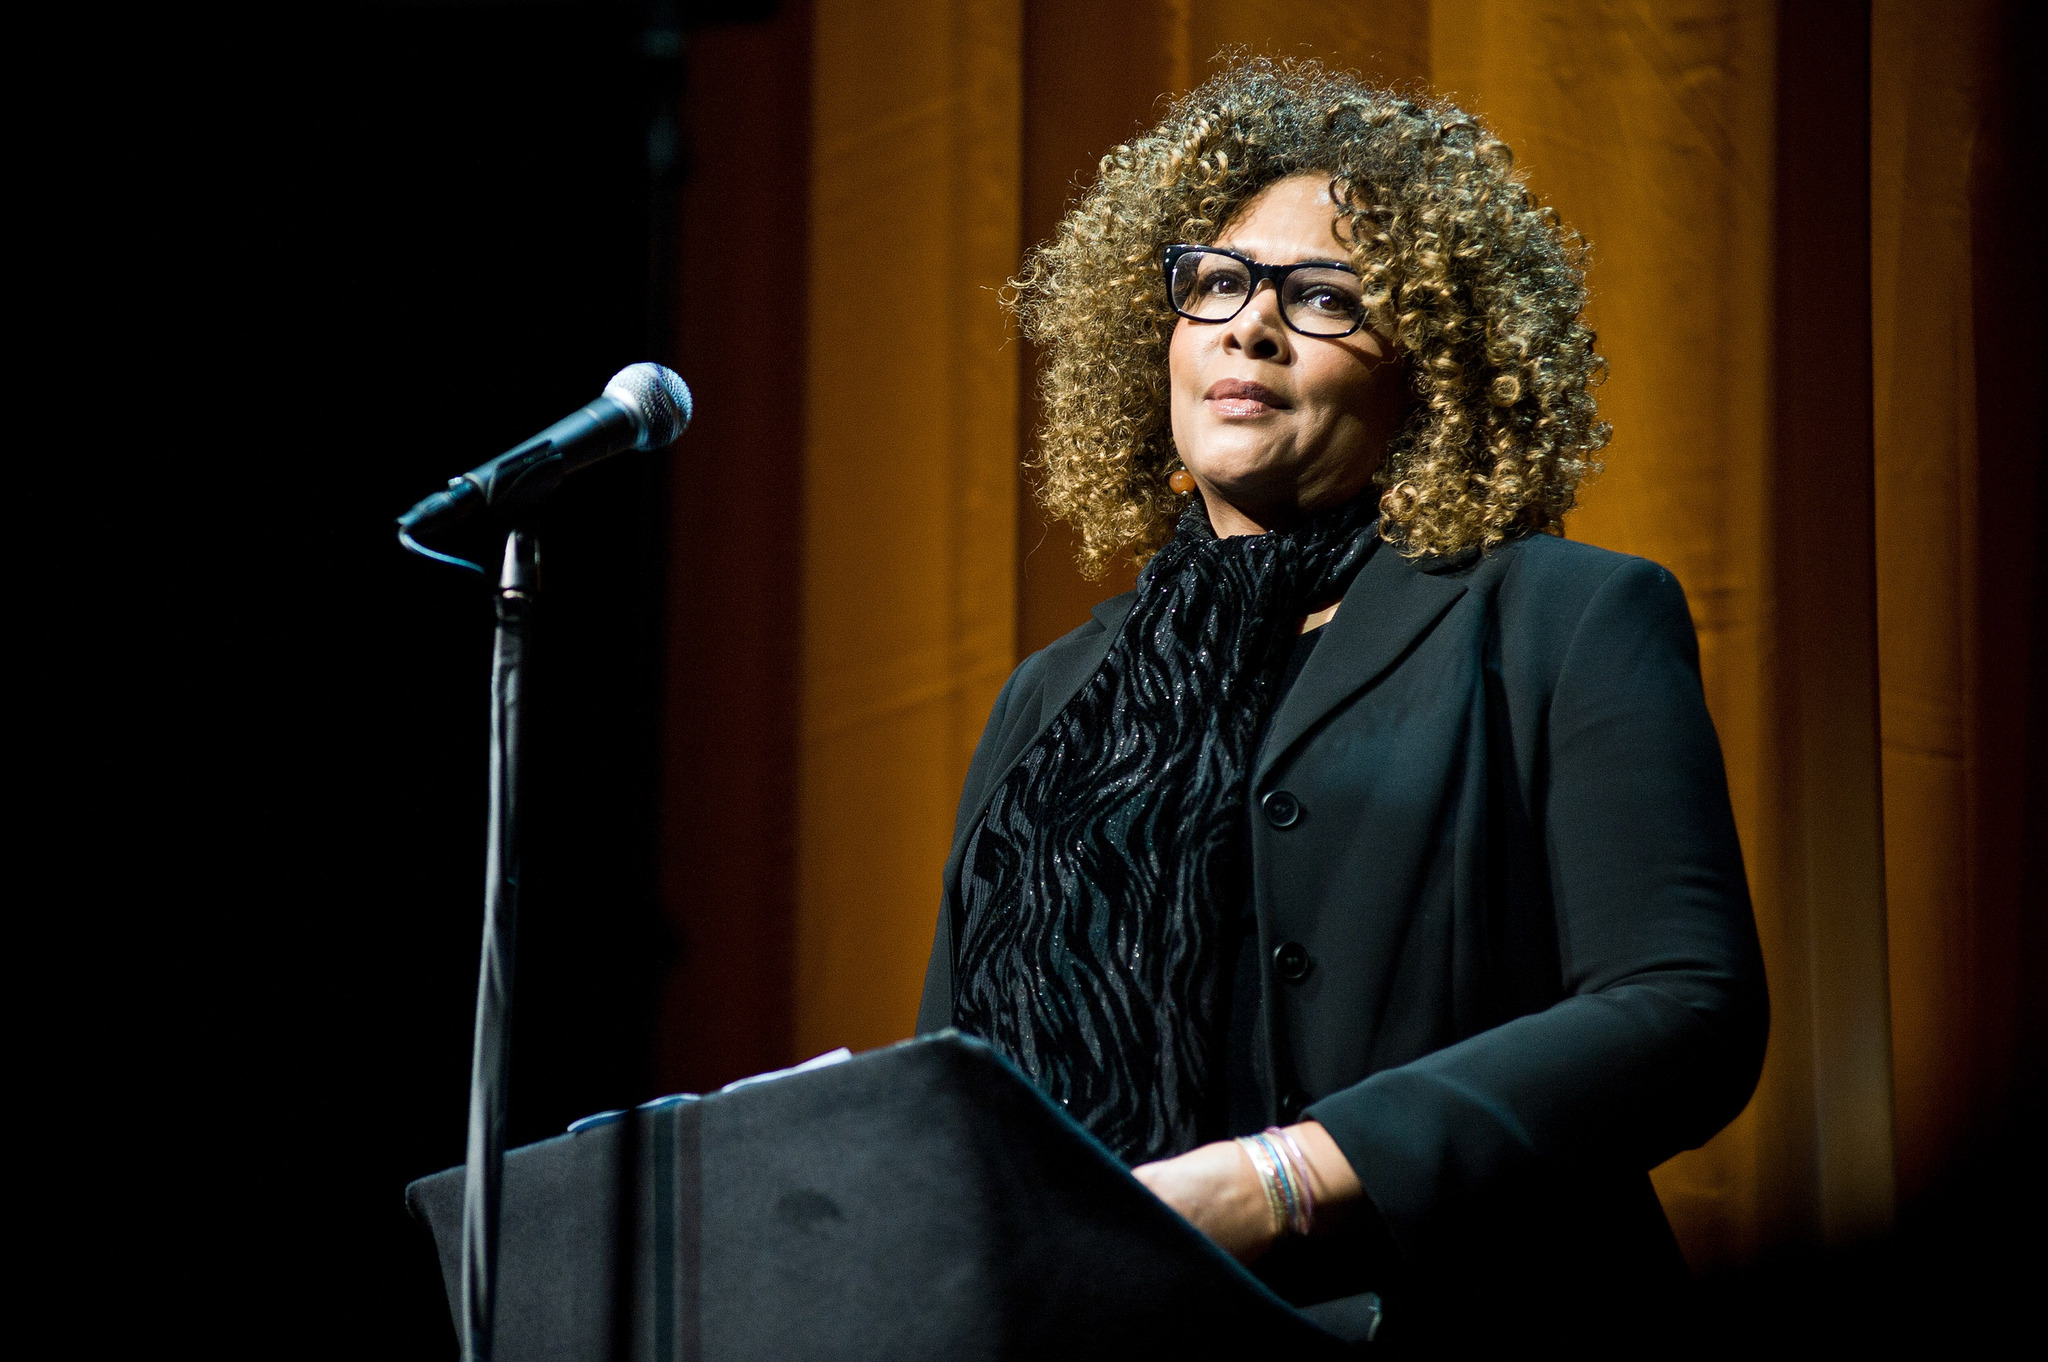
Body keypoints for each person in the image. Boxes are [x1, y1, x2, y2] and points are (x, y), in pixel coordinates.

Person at [915, 57, 1767, 1345]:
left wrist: (1283, 1178)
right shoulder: (1055, 703)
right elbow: (952, 1098)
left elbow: (1680, 1009)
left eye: (1325, 299)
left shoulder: (1556, 618)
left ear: (1433, 378)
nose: (1249, 328)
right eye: (1216, 282)